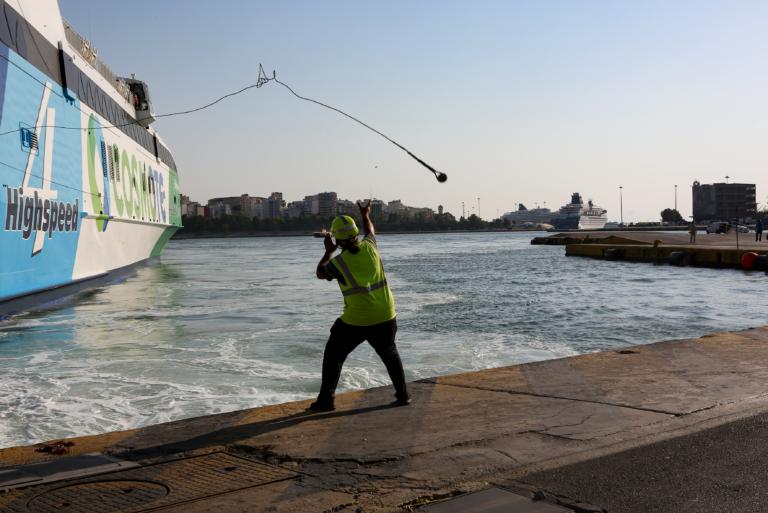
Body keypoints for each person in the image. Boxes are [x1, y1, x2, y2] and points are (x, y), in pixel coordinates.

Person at [310, 200, 410, 412]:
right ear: (356, 233)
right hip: (386, 314)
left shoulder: (338, 263)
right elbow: (371, 230)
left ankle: (326, 401)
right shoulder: (371, 247)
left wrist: (328, 251)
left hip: (356, 320)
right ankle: (403, 395)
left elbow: (320, 272)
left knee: (334, 356)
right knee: (390, 353)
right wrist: (365, 215)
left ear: (337, 239)